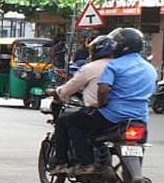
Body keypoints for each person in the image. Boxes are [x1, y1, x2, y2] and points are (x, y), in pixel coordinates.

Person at [61, 28, 157, 175]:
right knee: (140, 142)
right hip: (140, 117)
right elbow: (152, 92)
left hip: (112, 116)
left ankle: (87, 164)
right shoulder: (150, 68)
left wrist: (101, 104)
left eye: (116, 44)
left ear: (123, 47)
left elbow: (104, 89)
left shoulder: (115, 65)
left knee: (71, 122)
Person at [49, 35, 115, 171]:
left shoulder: (90, 68)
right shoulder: (123, 66)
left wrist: (57, 92)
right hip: (131, 115)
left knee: (66, 122)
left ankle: (68, 162)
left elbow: (68, 88)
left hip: (103, 113)